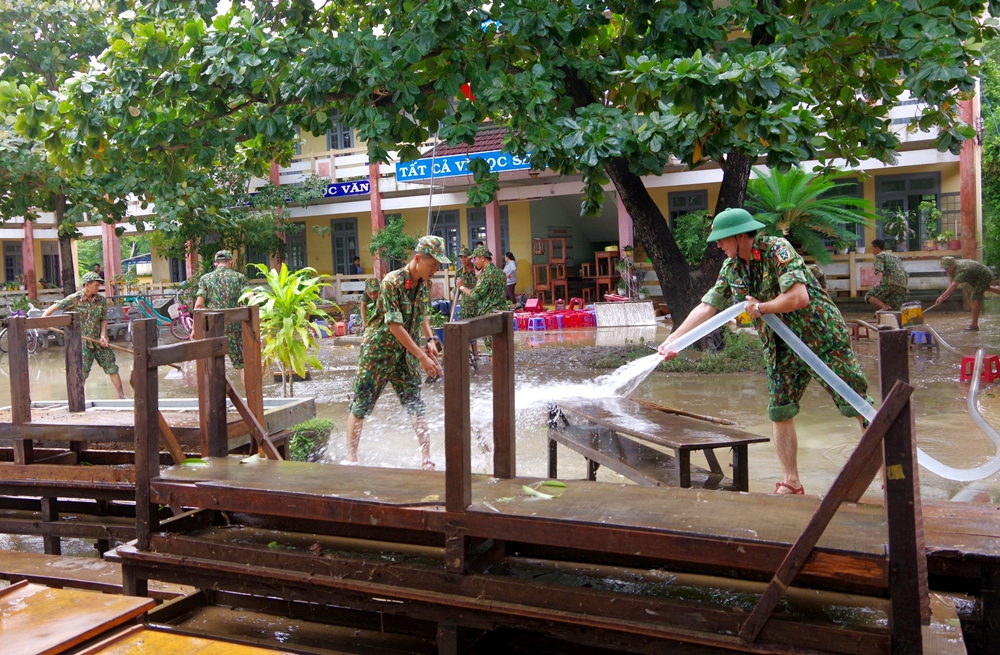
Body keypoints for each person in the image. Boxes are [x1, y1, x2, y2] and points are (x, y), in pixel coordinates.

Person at [657, 208, 871, 496]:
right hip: (780, 346)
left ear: (740, 235)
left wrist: (761, 308)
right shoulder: (731, 268)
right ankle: (791, 482)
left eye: (722, 240)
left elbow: (798, 296)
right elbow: (708, 307)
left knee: (856, 403)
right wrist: (673, 341)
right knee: (780, 410)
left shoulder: (776, 250)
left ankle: (887, 473)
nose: (719, 246)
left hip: (821, 338)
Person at [344, 236, 448, 469]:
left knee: (415, 402)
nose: (435, 270)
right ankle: (351, 458)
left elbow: (421, 313)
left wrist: (430, 338)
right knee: (361, 403)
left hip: (405, 351)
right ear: (418, 258)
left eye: (438, 267)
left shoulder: (424, 282)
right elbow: (394, 325)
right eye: (433, 265)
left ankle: (427, 458)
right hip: (378, 352)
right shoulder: (392, 282)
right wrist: (421, 356)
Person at [42, 271, 126, 399]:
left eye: (99, 285)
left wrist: (103, 336)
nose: (98, 288)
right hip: (82, 342)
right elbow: (55, 306)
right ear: (87, 284)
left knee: (112, 367)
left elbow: (103, 318)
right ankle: (78, 398)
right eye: (96, 285)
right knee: (81, 372)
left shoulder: (101, 300)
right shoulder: (74, 299)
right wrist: (44, 320)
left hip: (99, 341)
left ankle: (121, 395)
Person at [194, 250, 250, 385]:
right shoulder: (239, 277)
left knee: (213, 364)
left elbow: (199, 305)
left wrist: (194, 329)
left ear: (215, 263)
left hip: (213, 329)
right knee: (242, 365)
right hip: (235, 329)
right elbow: (251, 299)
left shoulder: (205, 279)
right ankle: (250, 400)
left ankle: (219, 399)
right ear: (230, 261)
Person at [459, 246, 508, 357]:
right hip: (502, 314)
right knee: (501, 348)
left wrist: (461, 287)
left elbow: (475, 295)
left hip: (489, 316)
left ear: (482, 258)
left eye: (474, 259)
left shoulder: (486, 275)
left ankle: (496, 373)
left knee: (492, 351)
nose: (474, 262)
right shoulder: (500, 273)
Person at [936, 256, 1000, 330]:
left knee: (974, 297)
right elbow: (951, 281)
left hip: (983, 274)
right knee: (985, 288)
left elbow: (954, 286)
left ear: (953, 264)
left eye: (947, 268)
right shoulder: (950, 268)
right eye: (944, 268)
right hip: (973, 275)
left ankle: (974, 325)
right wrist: (949, 293)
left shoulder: (962, 270)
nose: (946, 270)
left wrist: (941, 297)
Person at [865, 239, 908, 312]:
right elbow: (905, 273)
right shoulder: (895, 257)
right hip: (901, 285)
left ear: (877, 248)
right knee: (895, 310)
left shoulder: (879, 256)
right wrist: (905, 287)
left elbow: (880, 270)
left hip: (888, 283)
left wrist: (877, 282)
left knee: (869, 296)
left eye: (872, 249)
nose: (872, 251)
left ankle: (884, 307)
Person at [455, 246, 478, 320]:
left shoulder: (478, 271)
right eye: (461, 258)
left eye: (465, 257)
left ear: (471, 258)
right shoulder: (459, 272)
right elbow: (456, 292)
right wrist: (453, 307)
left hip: (477, 307)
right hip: (465, 308)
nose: (463, 260)